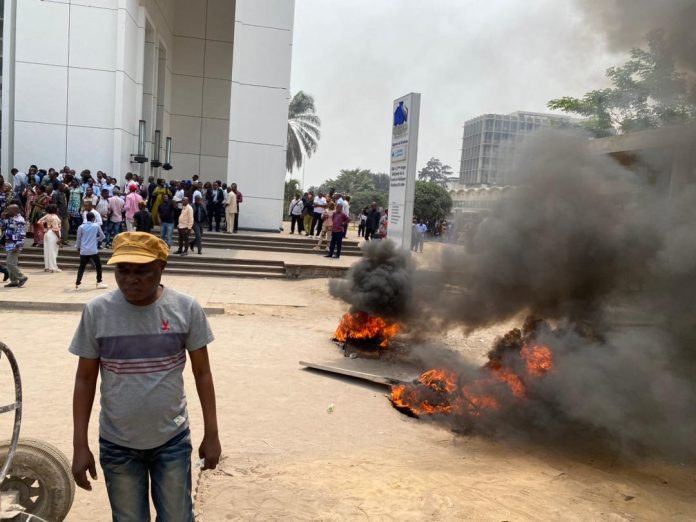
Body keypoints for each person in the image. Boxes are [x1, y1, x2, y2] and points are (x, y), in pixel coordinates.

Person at [69, 232, 220, 520]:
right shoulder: (97, 312)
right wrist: (79, 445)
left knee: (177, 516)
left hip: (172, 440)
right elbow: (85, 380)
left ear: (161, 267)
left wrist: (211, 434)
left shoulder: (186, 308)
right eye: (122, 270)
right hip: (117, 444)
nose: (130, 279)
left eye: (142, 271)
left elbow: (203, 373)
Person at [74, 212, 107, 290]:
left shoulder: (81, 227)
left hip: (84, 250)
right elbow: (102, 236)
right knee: (98, 266)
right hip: (93, 250)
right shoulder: (96, 226)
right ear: (93, 218)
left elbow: (78, 239)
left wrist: (78, 247)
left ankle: (78, 284)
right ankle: (99, 282)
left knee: (81, 267)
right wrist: (96, 240)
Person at [0, 204, 28, 288]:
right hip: (9, 243)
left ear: (15, 211)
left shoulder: (20, 220)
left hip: (15, 244)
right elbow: (3, 226)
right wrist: (2, 217)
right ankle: (14, 281)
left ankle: (22, 277)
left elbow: (21, 234)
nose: (7, 211)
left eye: (9, 210)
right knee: (12, 263)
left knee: (10, 263)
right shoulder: (10, 218)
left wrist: (18, 245)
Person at [37, 204, 62, 272]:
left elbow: (39, 222)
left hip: (47, 233)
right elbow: (55, 229)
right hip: (53, 234)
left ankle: (47, 267)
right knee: (53, 251)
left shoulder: (47, 215)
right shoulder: (55, 217)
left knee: (47, 250)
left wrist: (44, 229)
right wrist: (59, 238)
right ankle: (53, 267)